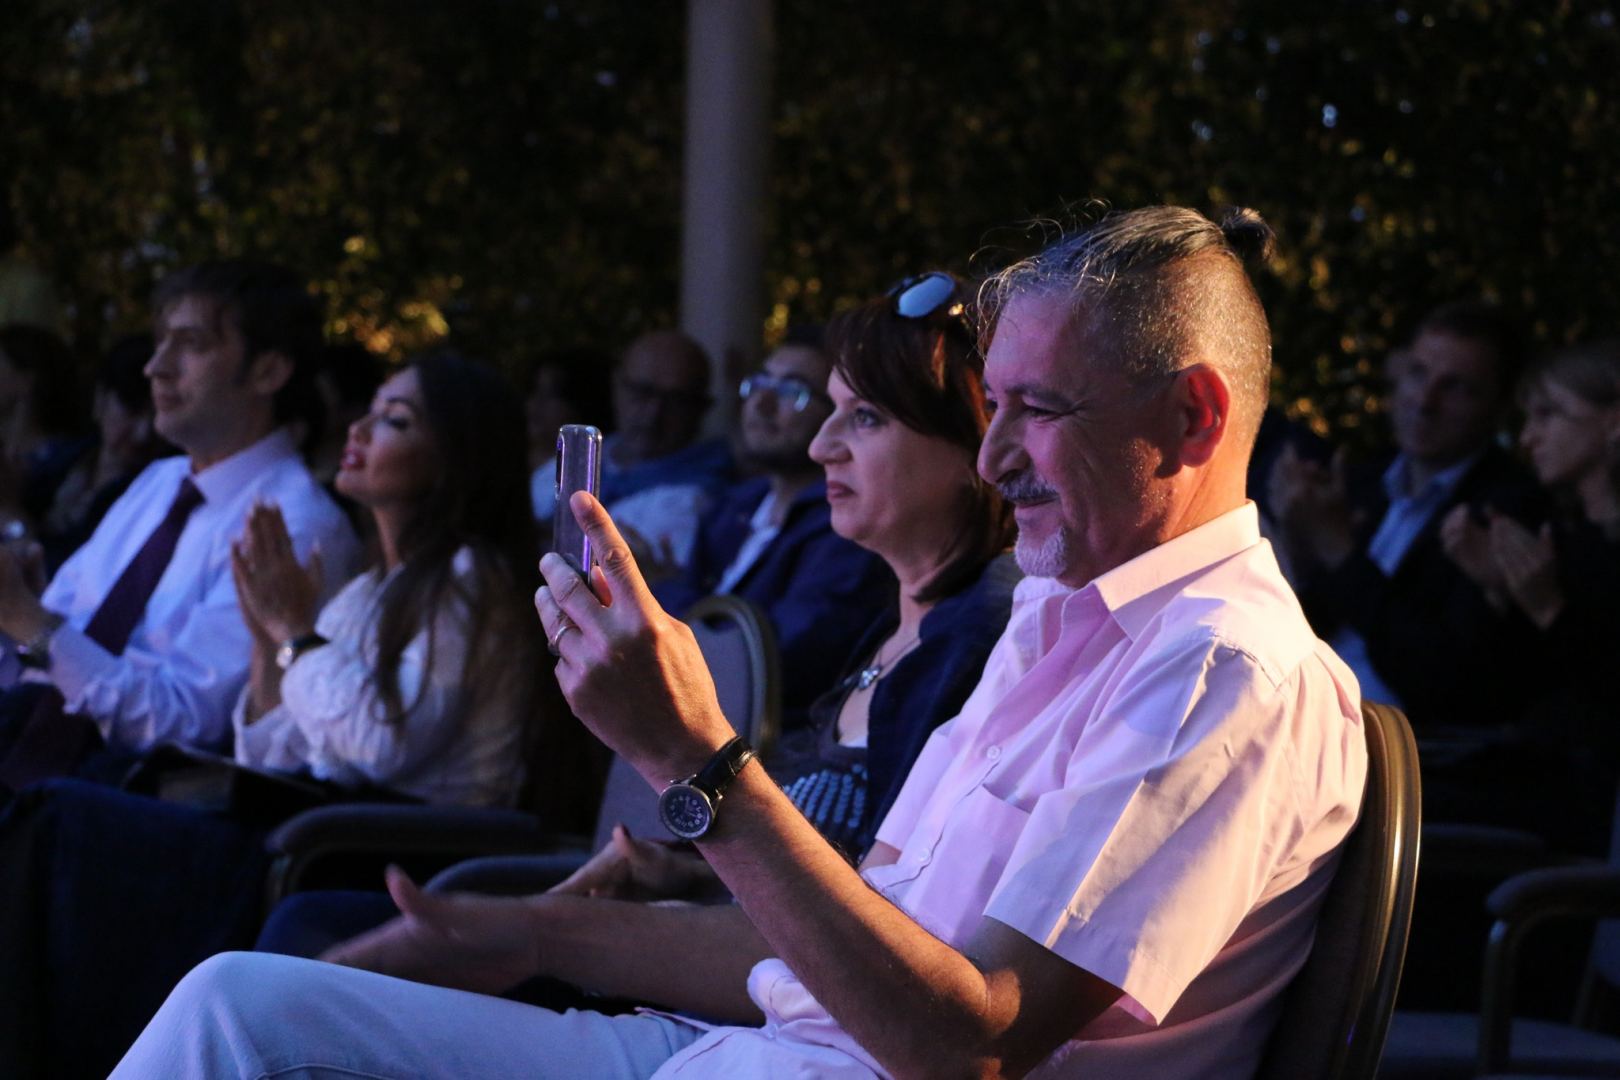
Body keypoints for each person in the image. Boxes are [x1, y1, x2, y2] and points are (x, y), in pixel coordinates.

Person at [117, 206, 1366, 1079]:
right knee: (239, 1000)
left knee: (249, 1028)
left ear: (1194, 416)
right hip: (742, 1055)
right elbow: (845, 952)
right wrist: (540, 935)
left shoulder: (1222, 668)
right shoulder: (1061, 618)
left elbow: (968, 1042)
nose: (994, 458)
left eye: (1036, 411)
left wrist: (698, 760)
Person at [0, 352, 558, 1078]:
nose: (359, 428)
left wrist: (295, 632)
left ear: (455, 457)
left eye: (395, 420)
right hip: (315, 826)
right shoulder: (370, 590)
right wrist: (270, 645)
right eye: (371, 409)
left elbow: (381, 743)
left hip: (394, 851)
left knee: (59, 821)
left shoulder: (469, 581)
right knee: (65, 814)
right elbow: (272, 754)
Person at [0, 260, 361, 793]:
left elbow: (186, 727)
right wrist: (18, 621)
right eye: (160, 342)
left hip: (119, 801)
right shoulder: (159, 482)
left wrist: (28, 620)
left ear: (268, 371)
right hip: (33, 752)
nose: (156, 368)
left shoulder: (294, 523)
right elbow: (43, 654)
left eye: (190, 344)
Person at [1270, 300, 1545, 728]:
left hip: (1403, 765)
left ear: (1498, 408)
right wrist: (1297, 546)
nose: (1425, 401)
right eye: (1418, 374)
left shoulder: (1506, 512)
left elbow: (1443, 681)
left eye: (1456, 387)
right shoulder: (1361, 481)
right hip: (1297, 723)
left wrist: (1338, 551)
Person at [653, 323, 896, 731]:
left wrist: (660, 586)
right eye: (760, 382)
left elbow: (764, 662)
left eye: (792, 392)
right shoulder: (735, 505)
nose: (762, 403)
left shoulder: (846, 529)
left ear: (839, 415)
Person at [1438, 338, 1620, 852]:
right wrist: (1493, 593)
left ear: (1613, 421)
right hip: (1526, 776)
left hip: (1582, 813)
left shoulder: (1584, 551)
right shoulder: (1556, 537)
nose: (1529, 437)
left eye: (1550, 413)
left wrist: (1547, 609)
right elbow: (1492, 689)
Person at [595, 330, 732, 576]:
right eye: (642, 391)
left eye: (676, 400)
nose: (653, 414)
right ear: (616, 385)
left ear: (701, 408)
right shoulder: (583, 454)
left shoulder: (694, 502)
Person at [36, 333, 171, 572]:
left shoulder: (158, 497)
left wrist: (14, 520)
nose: (143, 433)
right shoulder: (57, 461)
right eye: (131, 409)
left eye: (158, 415)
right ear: (100, 399)